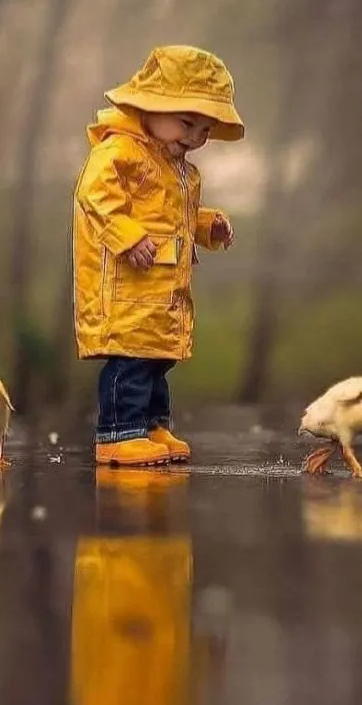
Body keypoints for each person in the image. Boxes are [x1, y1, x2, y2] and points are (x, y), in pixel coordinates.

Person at [73, 45, 244, 466]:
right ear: (149, 106)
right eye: (187, 122)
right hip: (128, 282)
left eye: (204, 130)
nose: (194, 137)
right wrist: (128, 236)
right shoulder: (120, 151)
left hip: (162, 287)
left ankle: (151, 426)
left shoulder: (179, 167)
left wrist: (205, 226)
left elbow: (172, 217)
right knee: (130, 359)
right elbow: (94, 195)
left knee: (155, 362)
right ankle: (117, 433)